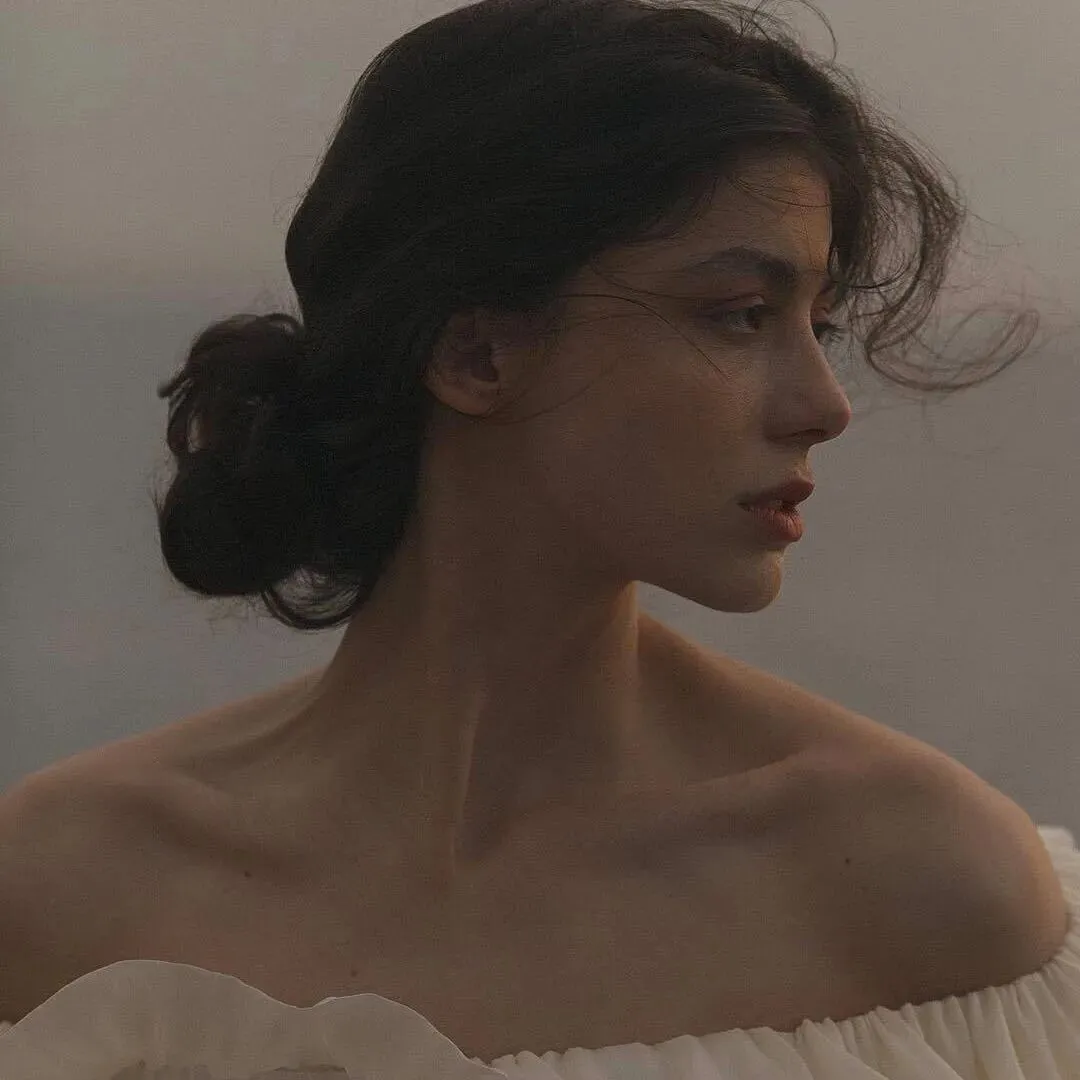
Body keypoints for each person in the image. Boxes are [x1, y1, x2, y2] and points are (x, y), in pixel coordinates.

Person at [2, 0, 1076, 1076]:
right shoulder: (61, 887)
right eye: (741, 314)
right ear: (475, 355)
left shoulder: (919, 881)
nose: (824, 405)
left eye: (819, 324)